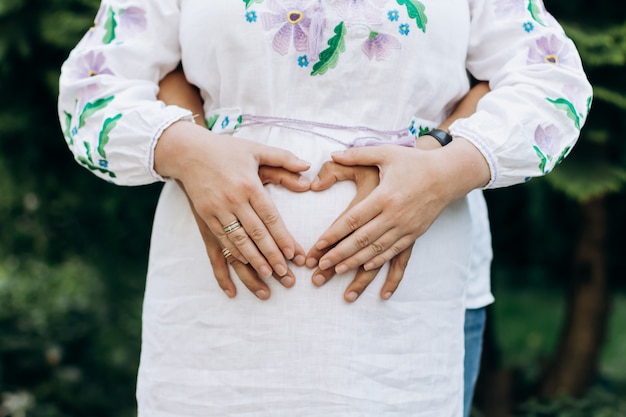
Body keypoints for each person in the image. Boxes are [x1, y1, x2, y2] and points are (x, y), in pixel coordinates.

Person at [58, 1, 592, 416]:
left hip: (405, 314)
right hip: (217, 315)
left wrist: (442, 168)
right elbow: (94, 86)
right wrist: (188, 151)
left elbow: (550, 80)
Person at [156, 68, 491, 417]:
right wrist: (194, 153)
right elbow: (142, 67)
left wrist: (434, 154)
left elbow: (532, 73)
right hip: (215, 304)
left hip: (414, 302)